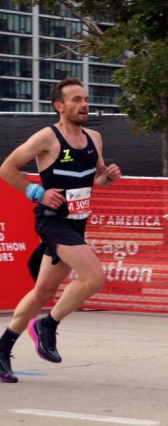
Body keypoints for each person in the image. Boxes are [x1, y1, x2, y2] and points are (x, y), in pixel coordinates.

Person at [0, 77, 122, 384]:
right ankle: (47, 326)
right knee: (94, 277)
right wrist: (36, 193)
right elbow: (7, 169)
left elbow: (95, 179)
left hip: (77, 223)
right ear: (59, 106)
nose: (84, 105)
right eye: (76, 100)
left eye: (85, 99)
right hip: (52, 221)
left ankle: (2, 348)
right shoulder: (47, 137)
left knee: (43, 291)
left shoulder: (94, 137)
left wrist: (107, 177)